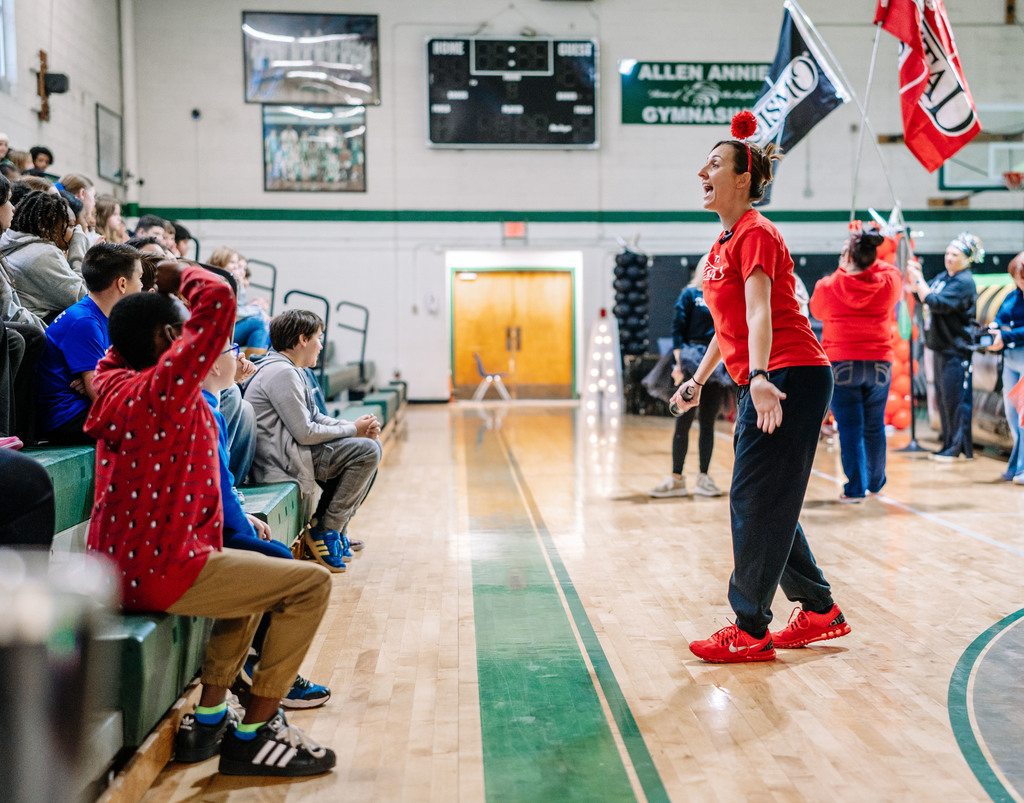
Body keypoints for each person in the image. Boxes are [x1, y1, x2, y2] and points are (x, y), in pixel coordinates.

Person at [86, 261, 337, 777]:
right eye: (183, 329)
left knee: (250, 571)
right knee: (308, 586)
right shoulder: (163, 392)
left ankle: (211, 718)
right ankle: (255, 735)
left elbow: (128, 333)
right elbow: (219, 298)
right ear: (169, 338)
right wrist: (178, 274)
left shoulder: (115, 377)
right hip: (160, 568)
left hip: (124, 562)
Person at [671, 114, 850, 663]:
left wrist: (765, 377)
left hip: (787, 374)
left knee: (753, 498)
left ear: (744, 178)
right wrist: (699, 382)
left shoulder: (757, 232)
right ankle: (819, 611)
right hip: (769, 374)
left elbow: (758, 313)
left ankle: (750, 627)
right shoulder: (725, 241)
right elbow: (728, 329)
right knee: (769, 499)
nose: (703, 170)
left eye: (715, 163)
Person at [201, 337, 333, 707]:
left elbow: (223, 481)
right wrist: (240, 523)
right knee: (280, 568)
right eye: (232, 351)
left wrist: (242, 515)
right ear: (212, 365)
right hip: (193, 540)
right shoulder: (202, 414)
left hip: (210, 526)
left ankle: (218, 705)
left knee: (271, 554)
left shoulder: (212, 407)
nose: (240, 357)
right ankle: (267, 692)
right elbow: (215, 492)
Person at [245, 309, 381, 566]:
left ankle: (334, 528)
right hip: (281, 462)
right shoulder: (281, 373)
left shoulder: (289, 368)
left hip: (294, 452)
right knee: (367, 451)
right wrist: (353, 429)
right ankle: (325, 530)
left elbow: (316, 417)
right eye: (318, 338)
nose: (321, 345)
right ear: (302, 340)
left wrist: (357, 427)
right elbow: (305, 432)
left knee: (371, 445)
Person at [809, 227, 903, 501]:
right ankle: (876, 482)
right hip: (880, 363)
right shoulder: (887, 281)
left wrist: (845, 268)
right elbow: (887, 269)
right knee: (874, 426)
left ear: (849, 257)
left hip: (841, 363)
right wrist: (864, 256)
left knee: (850, 428)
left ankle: (855, 488)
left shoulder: (828, 285)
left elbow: (817, 311)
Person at [34, 242, 143, 445]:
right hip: (66, 418)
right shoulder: (84, 322)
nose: (142, 286)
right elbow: (103, 396)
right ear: (122, 283)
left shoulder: (105, 316)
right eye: (139, 278)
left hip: (83, 407)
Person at [649, 262, 731, 499]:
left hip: (714, 363)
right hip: (689, 360)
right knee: (682, 422)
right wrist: (678, 364)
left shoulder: (721, 294)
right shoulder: (689, 294)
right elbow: (678, 329)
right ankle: (676, 478)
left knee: (708, 423)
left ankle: (704, 478)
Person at [906, 233, 982, 462]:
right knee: (944, 400)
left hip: (955, 349)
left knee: (956, 400)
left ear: (967, 259)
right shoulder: (945, 278)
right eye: (947, 253)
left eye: (955, 254)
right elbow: (925, 296)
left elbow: (935, 301)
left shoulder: (963, 282)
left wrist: (919, 279)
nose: (949, 258)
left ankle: (957, 448)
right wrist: (915, 282)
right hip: (939, 347)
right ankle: (948, 444)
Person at [0, 190, 87, 322]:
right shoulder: (43, 254)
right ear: (49, 226)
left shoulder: (9, 242)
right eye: (70, 226)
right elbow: (83, 296)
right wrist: (79, 246)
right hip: (40, 328)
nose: (74, 232)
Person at [986, 251, 1024, 482]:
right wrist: (994, 328)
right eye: (1016, 278)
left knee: (1023, 417)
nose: (1018, 283)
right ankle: (1017, 464)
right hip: (1011, 361)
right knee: (1012, 415)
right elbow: (1000, 317)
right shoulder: (1014, 295)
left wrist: (1007, 336)